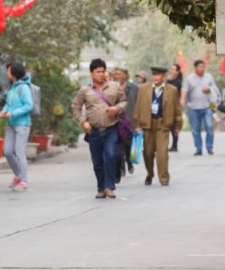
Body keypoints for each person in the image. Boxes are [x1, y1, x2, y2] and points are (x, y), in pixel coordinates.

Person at [71, 58, 128, 199]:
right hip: (94, 131)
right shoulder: (85, 90)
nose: (101, 74)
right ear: (91, 73)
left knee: (110, 155)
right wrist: (83, 122)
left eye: (103, 71)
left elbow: (124, 101)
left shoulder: (115, 86)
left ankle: (110, 187)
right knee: (97, 161)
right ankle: (100, 188)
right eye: (98, 72)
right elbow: (75, 107)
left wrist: (116, 108)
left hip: (111, 128)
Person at [133, 66, 182, 186]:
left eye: (158, 75)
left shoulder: (172, 90)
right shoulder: (143, 88)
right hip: (147, 124)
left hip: (163, 125)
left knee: (163, 153)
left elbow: (177, 108)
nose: (155, 77)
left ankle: (164, 178)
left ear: (163, 77)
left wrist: (178, 126)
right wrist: (137, 124)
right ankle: (150, 174)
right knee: (148, 153)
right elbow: (138, 107)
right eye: (153, 75)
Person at [0, 62, 33, 192]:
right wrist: (4, 111)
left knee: (19, 152)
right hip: (11, 124)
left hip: (22, 124)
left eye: (8, 71)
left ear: (14, 73)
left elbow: (28, 105)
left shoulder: (23, 88)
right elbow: (8, 104)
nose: (7, 73)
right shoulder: (12, 88)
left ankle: (24, 181)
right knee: (7, 151)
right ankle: (18, 175)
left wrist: (12, 113)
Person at [181, 59, 218, 155]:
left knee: (209, 126)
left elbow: (215, 90)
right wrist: (183, 100)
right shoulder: (190, 78)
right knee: (195, 129)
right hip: (193, 107)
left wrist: (209, 88)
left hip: (208, 107)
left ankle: (209, 147)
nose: (202, 68)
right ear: (195, 67)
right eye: (200, 67)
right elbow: (185, 90)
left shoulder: (209, 77)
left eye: (203, 66)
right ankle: (198, 148)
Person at [112, 67, 138, 179]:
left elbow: (139, 104)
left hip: (129, 122)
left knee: (128, 145)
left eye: (119, 74)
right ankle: (120, 169)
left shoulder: (134, 88)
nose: (116, 76)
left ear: (125, 76)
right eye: (115, 74)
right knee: (118, 149)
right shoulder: (110, 87)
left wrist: (138, 122)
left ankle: (129, 161)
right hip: (115, 121)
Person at [166, 63, 183, 152]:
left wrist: (168, 80)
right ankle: (170, 145)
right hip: (167, 106)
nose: (171, 71)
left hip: (174, 107)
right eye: (170, 69)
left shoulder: (177, 81)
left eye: (173, 69)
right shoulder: (169, 80)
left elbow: (171, 90)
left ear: (177, 72)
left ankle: (174, 145)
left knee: (174, 126)